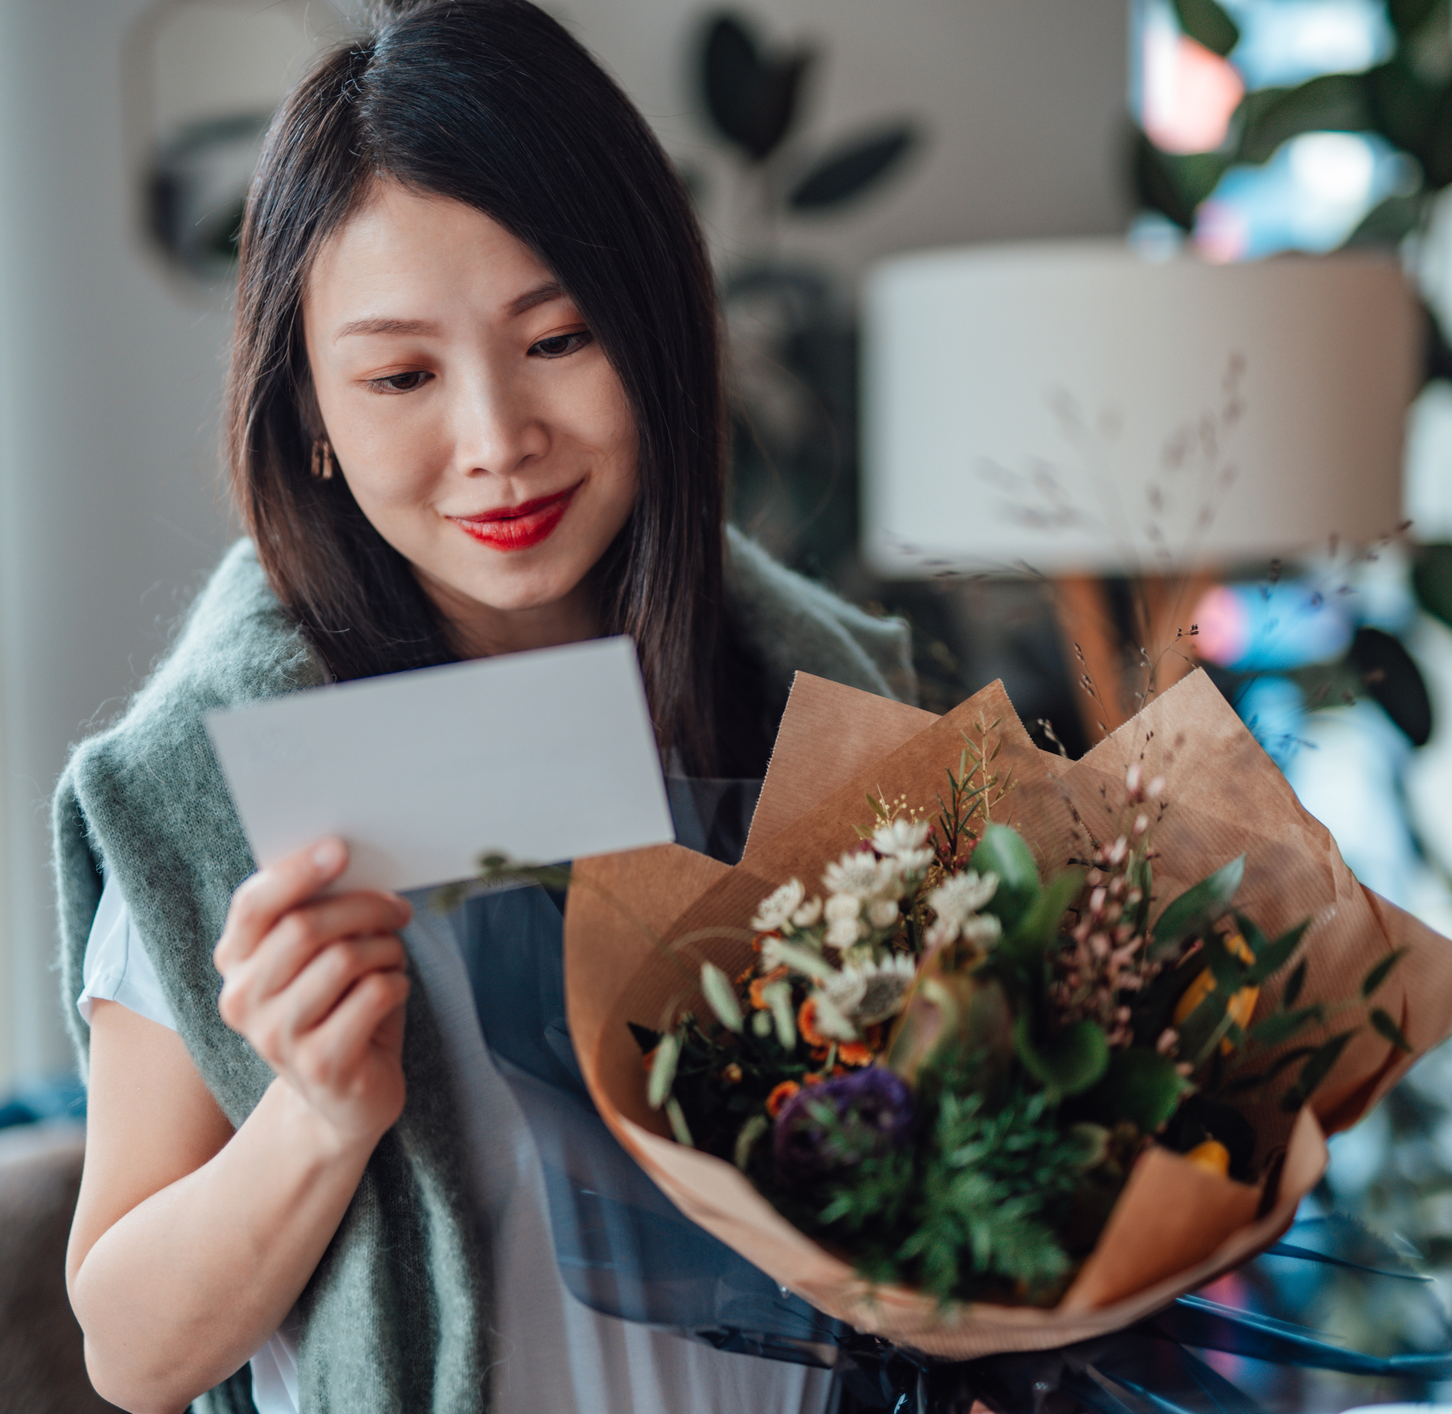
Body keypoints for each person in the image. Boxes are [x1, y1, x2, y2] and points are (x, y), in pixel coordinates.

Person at [53, 3, 912, 1411]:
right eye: (400, 376)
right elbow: (130, 1352)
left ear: (657, 332)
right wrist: (318, 1117)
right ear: (311, 416)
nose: (497, 442)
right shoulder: (229, 789)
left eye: (561, 337)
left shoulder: (829, 707)